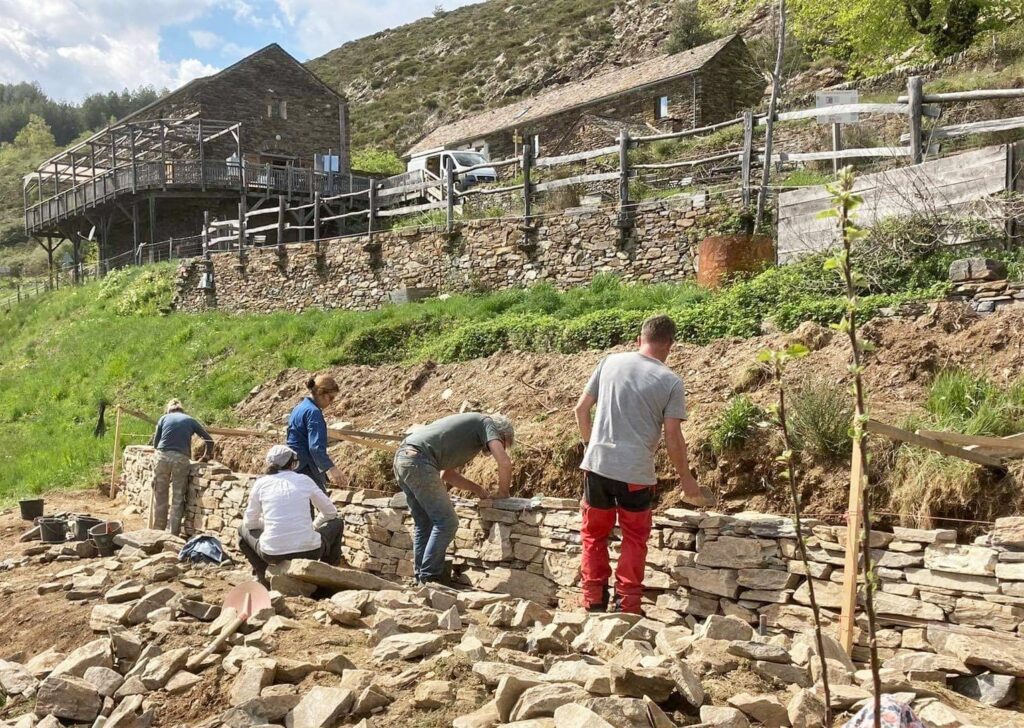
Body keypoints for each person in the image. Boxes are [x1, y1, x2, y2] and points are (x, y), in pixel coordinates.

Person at [573, 314, 707, 614]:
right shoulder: (671, 381)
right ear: (670, 345)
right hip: (635, 473)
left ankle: (593, 601)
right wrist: (685, 478)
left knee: (594, 535)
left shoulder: (609, 362)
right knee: (634, 537)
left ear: (639, 339)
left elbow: (581, 410)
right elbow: (673, 436)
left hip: (596, 466)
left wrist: (589, 446)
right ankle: (628, 606)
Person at [394, 412, 515, 585]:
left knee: (425, 523)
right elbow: (504, 462)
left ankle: (421, 579)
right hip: (419, 461)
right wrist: (503, 492)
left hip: (403, 459)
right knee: (447, 522)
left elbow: (447, 475)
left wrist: (477, 489)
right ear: (500, 434)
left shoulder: (467, 438)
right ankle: (430, 579)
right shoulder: (486, 423)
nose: (501, 449)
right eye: (504, 444)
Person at [238, 445, 344, 585]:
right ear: (292, 463)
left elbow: (249, 523)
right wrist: (313, 527)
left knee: (242, 530)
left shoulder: (261, 483)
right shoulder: (305, 480)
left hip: (272, 554)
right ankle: (326, 575)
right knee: (337, 523)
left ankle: (262, 576)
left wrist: (267, 523)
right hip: (311, 551)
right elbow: (331, 513)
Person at [149, 398, 214, 536]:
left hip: (162, 458)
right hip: (180, 459)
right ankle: (173, 534)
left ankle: (158, 531)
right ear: (182, 410)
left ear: (169, 410)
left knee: (160, 495)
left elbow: (155, 444)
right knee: (178, 497)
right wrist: (206, 457)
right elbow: (209, 440)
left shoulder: (163, 418)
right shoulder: (190, 420)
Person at [286, 374, 349, 492]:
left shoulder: (299, 408)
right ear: (322, 394)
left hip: (292, 464)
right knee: (319, 503)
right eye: (331, 398)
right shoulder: (313, 413)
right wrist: (332, 469)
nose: (331, 402)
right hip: (306, 466)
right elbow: (315, 447)